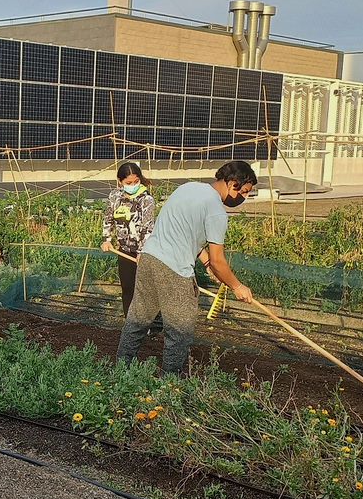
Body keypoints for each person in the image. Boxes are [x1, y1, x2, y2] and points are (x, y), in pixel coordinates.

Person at [115, 160, 258, 376]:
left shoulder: (188, 188)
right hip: (174, 270)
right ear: (233, 184)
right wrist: (237, 286)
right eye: (244, 192)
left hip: (149, 259)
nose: (244, 197)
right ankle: (170, 384)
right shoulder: (217, 211)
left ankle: (121, 371)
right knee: (179, 330)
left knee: (137, 320)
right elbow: (220, 261)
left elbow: (183, 232)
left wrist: (207, 263)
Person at [100, 162, 157, 315]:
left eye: (136, 182)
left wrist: (142, 252)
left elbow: (148, 228)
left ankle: (151, 324)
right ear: (120, 181)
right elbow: (108, 218)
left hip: (144, 252)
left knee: (145, 289)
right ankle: (130, 323)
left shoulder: (146, 200)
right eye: (129, 183)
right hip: (124, 250)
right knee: (127, 287)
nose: (133, 185)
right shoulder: (115, 197)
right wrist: (107, 239)